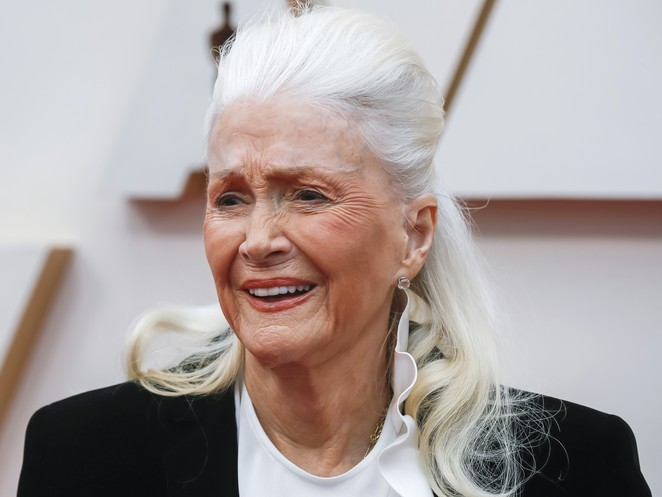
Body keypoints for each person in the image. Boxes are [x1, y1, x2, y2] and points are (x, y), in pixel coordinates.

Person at [18, 5, 651, 497]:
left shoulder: (573, 467)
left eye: (308, 195)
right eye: (231, 198)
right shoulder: (84, 455)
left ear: (414, 235)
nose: (258, 241)